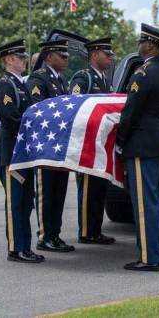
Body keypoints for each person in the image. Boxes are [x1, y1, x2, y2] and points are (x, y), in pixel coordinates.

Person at [116, 23, 159, 271]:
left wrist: (120, 139)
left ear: (150, 45)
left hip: (142, 144)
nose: (138, 45)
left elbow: (131, 111)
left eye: (141, 41)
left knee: (144, 202)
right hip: (158, 141)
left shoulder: (144, 73)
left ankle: (149, 258)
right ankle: (153, 254)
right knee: (150, 200)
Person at [0, 39, 43, 263]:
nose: (24, 60)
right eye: (20, 57)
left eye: (24, 57)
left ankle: (26, 246)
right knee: (15, 203)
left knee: (26, 202)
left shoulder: (21, 84)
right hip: (12, 153)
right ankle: (15, 248)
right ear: (8, 60)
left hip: (24, 153)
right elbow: (11, 118)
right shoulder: (5, 85)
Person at [27, 40, 75, 253]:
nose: (66, 59)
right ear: (48, 57)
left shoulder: (62, 80)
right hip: (46, 146)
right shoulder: (39, 79)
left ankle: (55, 234)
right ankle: (45, 235)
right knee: (46, 193)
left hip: (60, 146)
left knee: (59, 191)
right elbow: (38, 110)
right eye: (61, 55)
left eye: (66, 55)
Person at [69, 38, 116, 245]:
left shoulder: (105, 80)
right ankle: (87, 231)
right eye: (107, 54)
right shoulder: (83, 78)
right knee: (88, 188)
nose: (110, 58)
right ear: (95, 54)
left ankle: (96, 229)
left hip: (102, 143)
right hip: (88, 143)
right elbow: (75, 106)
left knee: (99, 187)